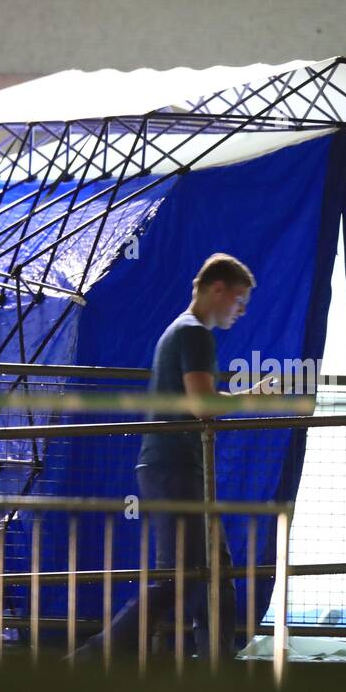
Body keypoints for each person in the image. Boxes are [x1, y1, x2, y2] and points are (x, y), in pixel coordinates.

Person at [71, 253, 276, 665]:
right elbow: (203, 405)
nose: (241, 311)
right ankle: (92, 658)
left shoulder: (180, 332)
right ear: (218, 289)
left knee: (210, 572)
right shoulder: (195, 335)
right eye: (239, 300)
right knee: (182, 577)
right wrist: (256, 395)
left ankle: (215, 660)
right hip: (175, 467)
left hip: (170, 466)